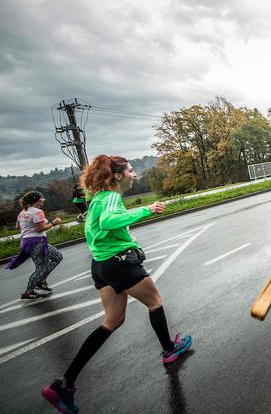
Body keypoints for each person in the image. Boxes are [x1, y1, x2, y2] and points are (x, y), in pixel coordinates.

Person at [41, 155, 192, 414]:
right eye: (132, 170)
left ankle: (63, 384)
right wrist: (147, 210)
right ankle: (169, 350)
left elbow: (93, 231)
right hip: (119, 262)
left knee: (112, 321)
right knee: (155, 302)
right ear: (118, 176)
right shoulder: (111, 196)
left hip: (101, 266)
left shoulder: (96, 199)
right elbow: (108, 222)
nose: (135, 174)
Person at [7, 191, 63, 299]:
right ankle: (29, 291)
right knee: (45, 265)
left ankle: (40, 281)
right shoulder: (38, 212)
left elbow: (18, 226)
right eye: (42, 197)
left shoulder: (23, 211)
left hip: (26, 242)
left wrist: (29, 226)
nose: (44, 199)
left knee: (52, 260)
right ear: (36, 200)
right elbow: (39, 229)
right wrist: (53, 222)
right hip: (37, 242)